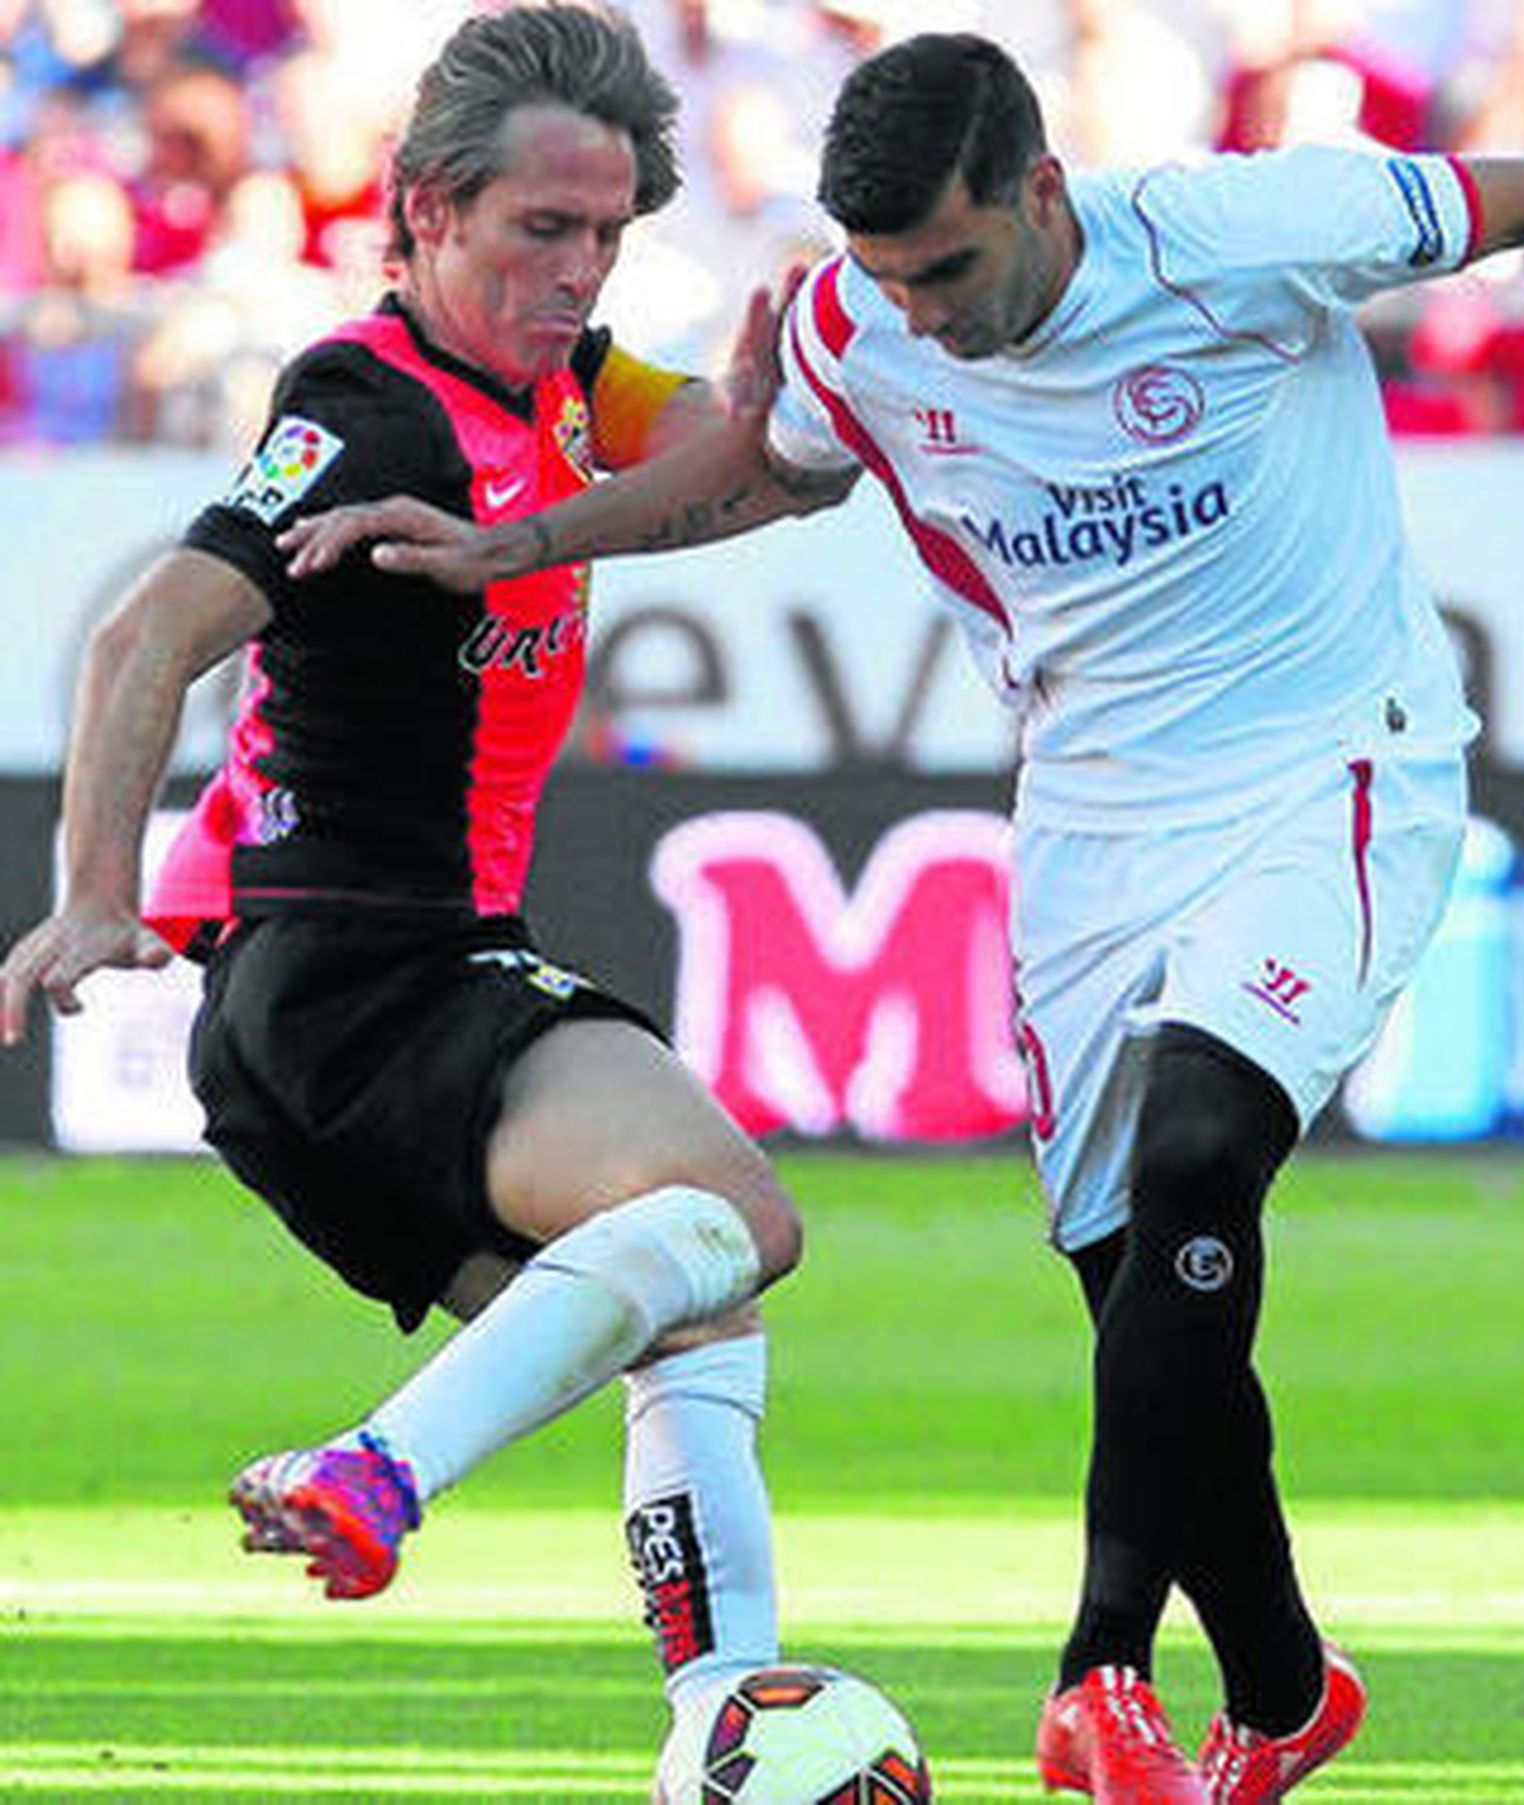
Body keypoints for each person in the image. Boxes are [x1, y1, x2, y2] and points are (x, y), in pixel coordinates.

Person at [274, 31, 1524, 1803]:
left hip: (1329, 761)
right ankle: (1283, 1691)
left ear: (1042, 191)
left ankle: (1099, 1670)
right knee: (1133, 1268)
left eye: (951, 270)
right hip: (1093, 818)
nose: (924, 316)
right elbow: (764, 467)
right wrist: (522, 544)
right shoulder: (862, 323)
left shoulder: (1247, 228)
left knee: (1203, 1150)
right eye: (891, 278)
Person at [0, 2, 806, 1739]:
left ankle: (727, 1714)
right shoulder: (370, 409)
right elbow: (146, 634)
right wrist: (93, 888)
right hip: (355, 972)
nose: (578, 271)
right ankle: (377, 1469)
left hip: (361, 995)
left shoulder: (573, 386)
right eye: (543, 228)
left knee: (694, 1309)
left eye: (608, 235)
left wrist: (796, 393)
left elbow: (760, 472)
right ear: (429, 208)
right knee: (736, 1216)